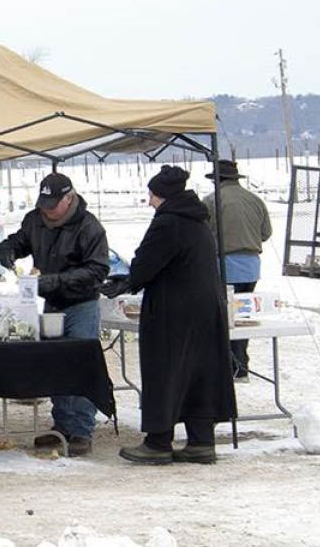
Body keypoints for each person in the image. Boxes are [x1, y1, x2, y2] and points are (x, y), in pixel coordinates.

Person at [102, 166, 236, 465]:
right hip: (203, 308)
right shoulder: (197, 220)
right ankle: (202, 441)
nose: (150, 201)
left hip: (173, 311)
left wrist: (128, 279)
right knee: (199, 373)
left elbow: (146, 262)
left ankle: (158, 441)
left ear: (163, 195)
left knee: (165, 371)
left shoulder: (168, 223)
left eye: (152, 195)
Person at [0, 173, 109, 455]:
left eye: (53, 204)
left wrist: (55, 281)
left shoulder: (89, 227)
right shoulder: (35, 220)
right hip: (49, 304)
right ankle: (62, 426)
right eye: (44, 203)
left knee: (80, 365)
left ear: (69, 199)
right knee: (55, 365)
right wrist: (6, 249)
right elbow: (19, 241)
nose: (47, 209)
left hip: (81, 304)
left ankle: (81, 430)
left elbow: (98, 271)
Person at [203, 159, 272, 382]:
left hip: (223, 266)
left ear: (217, 180)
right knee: (243, 317)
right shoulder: (256, 200)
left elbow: (203, 233)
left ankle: (227, 366)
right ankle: (241, 365)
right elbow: (265, 233)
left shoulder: (211, 201)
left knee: (223, 318)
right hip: (251, 266)